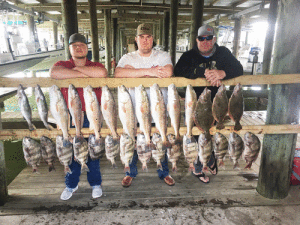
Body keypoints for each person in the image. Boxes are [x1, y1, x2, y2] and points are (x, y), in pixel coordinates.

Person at [174, 25, 243, 183]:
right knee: (198, 136)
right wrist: (202, 72)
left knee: (210, 134)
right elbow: (178, 70)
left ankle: (210, 159)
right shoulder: (189, 55)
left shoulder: (223, 52)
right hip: (195, 104)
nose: (205, 41)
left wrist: (222, 73)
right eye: (201, 38)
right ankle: (198, 167)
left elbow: (238, 68)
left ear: (214, 39)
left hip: (217, 104)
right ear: (196, 40)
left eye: (208, 38)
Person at [115, 23, 175, 188]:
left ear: (153, 39)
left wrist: (133, 72)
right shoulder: (128, 57)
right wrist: (150, 71)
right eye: (141, 37)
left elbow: (168, 71)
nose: (145, 40)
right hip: (134, 110)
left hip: (158, 110)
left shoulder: (162, 55)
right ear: (136, 39)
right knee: (133, 139)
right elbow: (118, 73)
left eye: (148, 37)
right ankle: (130, 172)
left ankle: (164, 171)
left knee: (159, 137)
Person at [50, 33, 108, 200]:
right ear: (69, 49)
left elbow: (102, 73)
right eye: (74, 45)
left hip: (93, 114)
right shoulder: (62, 64)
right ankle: (71, 185)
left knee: (94, 152)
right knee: (70, 150)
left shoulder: (96, 64)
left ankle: (96, 184)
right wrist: (86, 74)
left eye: (81, 45)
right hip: (68, 116)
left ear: (87, 48)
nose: (78, 47)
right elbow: (54, 73)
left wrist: (74, 71)